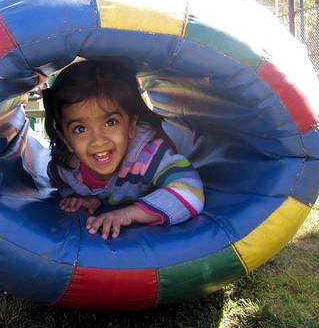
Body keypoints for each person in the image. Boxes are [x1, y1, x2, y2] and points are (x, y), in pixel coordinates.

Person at [42, 60, 204, 240]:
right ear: (66, 140)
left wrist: (130, 213)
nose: (99, 140)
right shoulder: (65, 169)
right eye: (80, 129)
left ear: (131, 127)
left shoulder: (149, 156)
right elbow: (58, 182)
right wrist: (86, 199)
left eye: (110, 122)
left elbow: (192, 190)